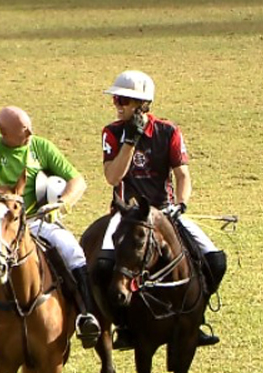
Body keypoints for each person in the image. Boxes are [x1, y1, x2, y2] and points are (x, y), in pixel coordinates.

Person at [96, 70, 227, 348]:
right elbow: (113, 177)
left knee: (215, 261)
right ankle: (124, 325)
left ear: (142, 104)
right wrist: (130, 141)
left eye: (123, 100)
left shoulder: (169, 131)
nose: (117, 105)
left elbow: (183, 176)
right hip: (126, 216)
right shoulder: (113, 133)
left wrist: (181, 205)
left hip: (165, 214)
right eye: (116, 100)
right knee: (102, 266)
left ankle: (196, 317)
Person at [0, 106, 101, 359]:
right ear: (5, 133)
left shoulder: (40, 147)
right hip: (1, 227)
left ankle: (85, 316)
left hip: (37, 222)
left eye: (29, 126)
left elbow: (78, 180)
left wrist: (63, 202)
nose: (30, 132)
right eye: (24, 130)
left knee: (74, 253)